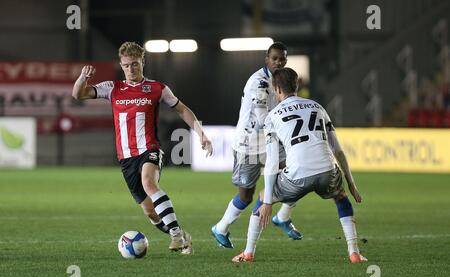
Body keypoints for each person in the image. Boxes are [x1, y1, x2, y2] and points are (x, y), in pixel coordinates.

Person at [72, 41, 213, 255]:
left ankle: (175, 235)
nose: (131, 69)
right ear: (121, 65)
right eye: (127, 65)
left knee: (149, 182)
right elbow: (78, 94)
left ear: (143, 62)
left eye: (135, 64)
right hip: (126, 158)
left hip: (150, 149)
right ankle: (183, 236)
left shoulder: (157, 88)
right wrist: (83, 77)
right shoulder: (113, 88)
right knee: (150, 212)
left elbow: (182, 110)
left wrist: (201, 133)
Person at [232, 68, 367, 263]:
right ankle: (354, 252)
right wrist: (351, 183)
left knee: (261, 198)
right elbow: (338, 150)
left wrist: (268, 201)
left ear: (277, 89)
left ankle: (248, 253)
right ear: (297, 86)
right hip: (327, 171)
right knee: (341, 198)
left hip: (297, 176)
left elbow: (271, 161)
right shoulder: (317, 107)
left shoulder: (272, 116)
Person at [211, 42, 302, 249]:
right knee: (246, 196)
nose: (279, 62)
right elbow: (262, 118)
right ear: (266, 59)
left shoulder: (283, 80)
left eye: (282, 58)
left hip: (271, 141)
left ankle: (283, 216)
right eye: (275, 58)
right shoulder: (259, 83)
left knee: (298, 170)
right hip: (249, 144)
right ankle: (221, 228)